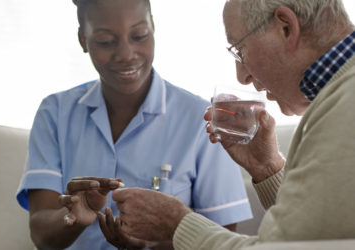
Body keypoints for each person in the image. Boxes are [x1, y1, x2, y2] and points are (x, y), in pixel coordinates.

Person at [106, 0, 355, 249]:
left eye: (240, 51)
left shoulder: (345, 108)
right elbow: (314, 235)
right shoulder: (341, 97)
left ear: (286, 27)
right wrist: (267, 168)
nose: (242, 76)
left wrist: (176, 224)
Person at [16, 0, 252, 249]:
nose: (127, 54)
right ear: (83, 40)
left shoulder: (201, 119)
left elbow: (223, 239)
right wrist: (74, 218)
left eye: (139, 35)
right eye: (106, 41)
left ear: (153, 28)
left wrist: (156, 240)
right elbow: (41, 235)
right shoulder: (55, 113)